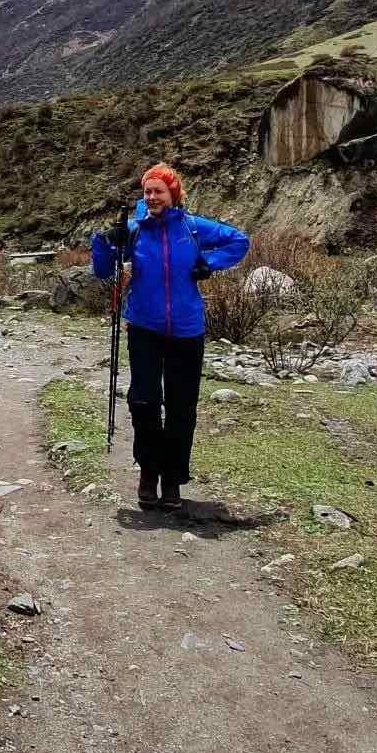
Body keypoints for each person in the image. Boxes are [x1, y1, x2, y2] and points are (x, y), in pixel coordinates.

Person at [91, 163, 248, 511]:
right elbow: (102, 270)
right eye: (147, 191)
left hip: (187, 329)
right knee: (144, 402)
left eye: (158, 191)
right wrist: (103, 241)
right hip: (144, 327)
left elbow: (239, 240)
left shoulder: (191, 227)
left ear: (172, 194)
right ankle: (149, 472)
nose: (152, 197)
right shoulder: (133, 230)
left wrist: (209, 262)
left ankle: (172, 480)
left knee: (181, 408)